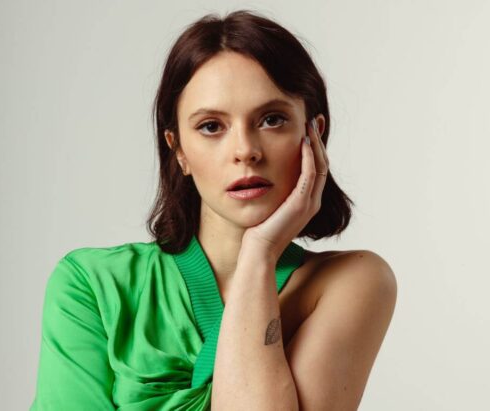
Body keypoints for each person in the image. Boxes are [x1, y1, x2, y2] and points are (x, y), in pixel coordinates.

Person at [30, 9, 397, 411]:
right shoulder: (91, 284)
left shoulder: (352, 282)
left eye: (272, 119)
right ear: (179, 151)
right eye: (211, 126)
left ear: (314, 134)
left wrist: (259, 253)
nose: (245, 151)